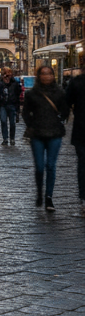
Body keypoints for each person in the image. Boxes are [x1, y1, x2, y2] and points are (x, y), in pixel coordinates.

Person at [21, 64, 68, 212]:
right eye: (43, 74)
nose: (46, 76)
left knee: (51, 166)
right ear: (39, 76)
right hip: (37, 134)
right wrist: (32, 124)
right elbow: (25, 113)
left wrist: (60, 120)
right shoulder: (32, 94)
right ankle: (40, 192)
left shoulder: (60, 93)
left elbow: (65, 111)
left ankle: (49, 197)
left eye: (49, 74)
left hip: (54, 133)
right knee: (40, 167)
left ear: (53, 76)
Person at [61, 69, 85, 217]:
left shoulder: (77, 82)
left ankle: (84, 200)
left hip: (81, 131)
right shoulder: (77, 82)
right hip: (81, 132)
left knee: (83, 165)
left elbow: (66, 103)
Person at [0, 67, 22, 147]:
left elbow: (19, 91)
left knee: (12, 123)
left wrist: (12, 80)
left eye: (9, 73)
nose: (8, 74)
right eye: (6, 73)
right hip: (2, 105)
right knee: (3, 121)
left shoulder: (14, 83)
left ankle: (12, 138)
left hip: (12, 104)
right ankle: (5, 138)